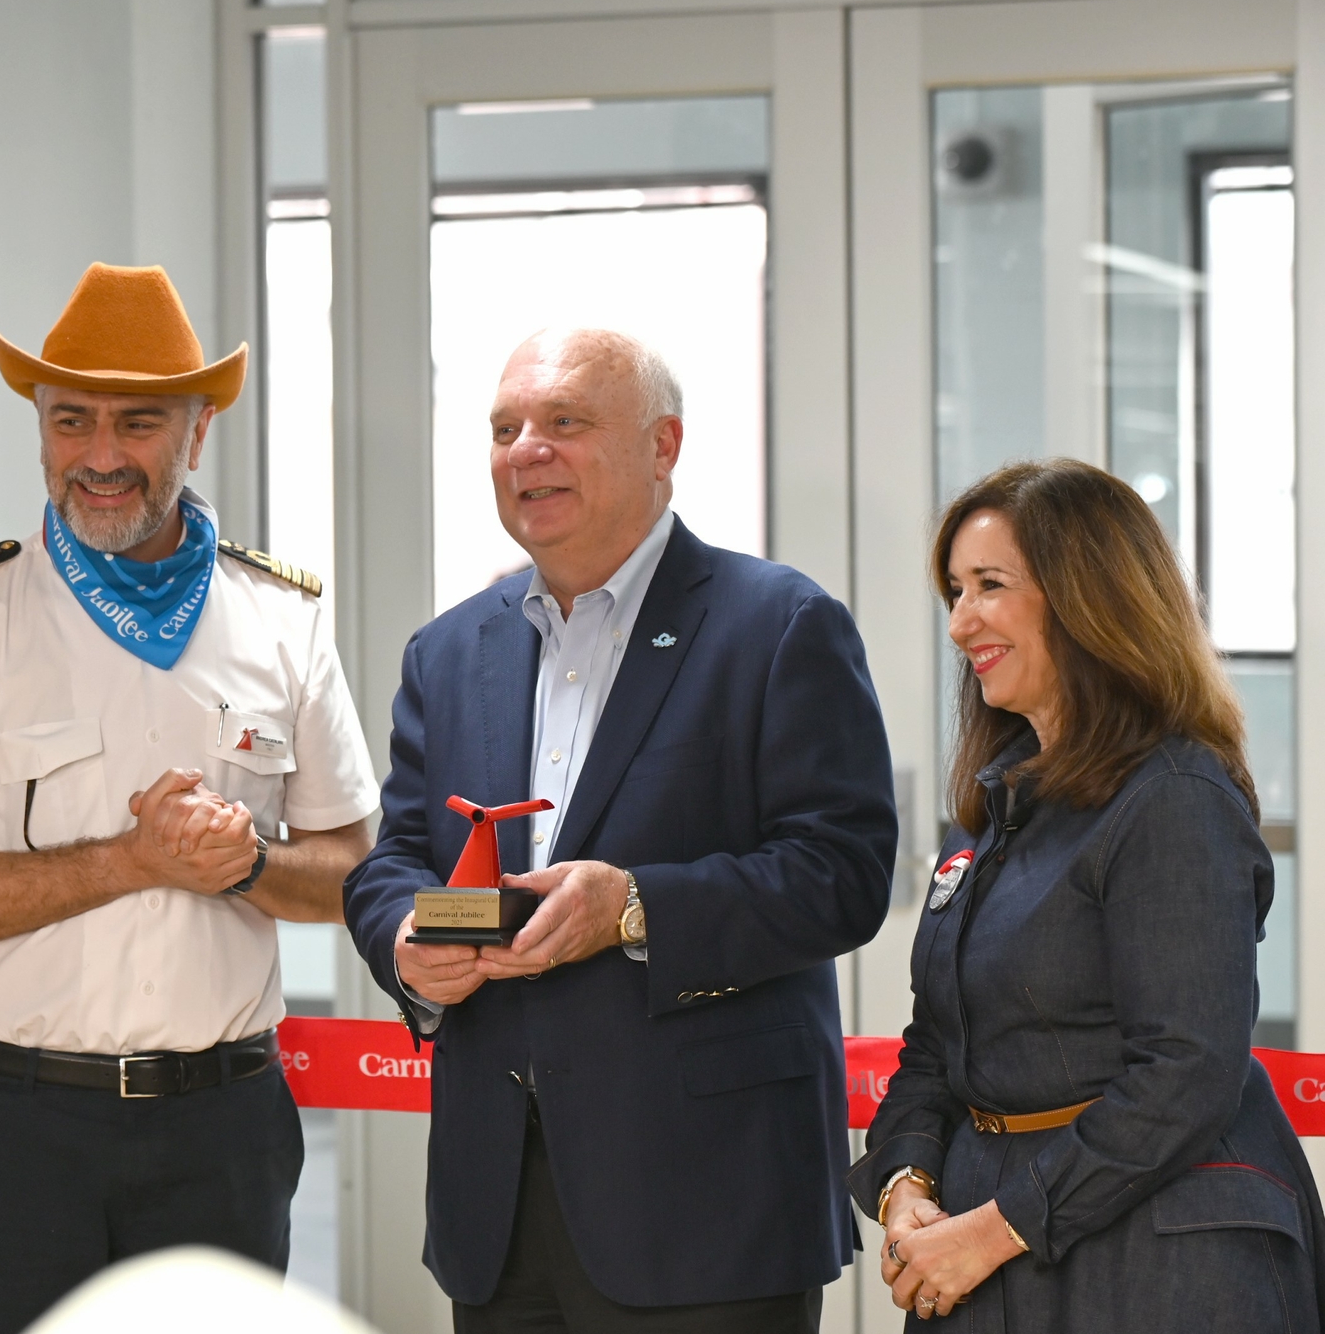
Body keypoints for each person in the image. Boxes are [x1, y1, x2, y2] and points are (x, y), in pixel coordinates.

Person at [343, 327, 897, 1333]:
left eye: (565, 424)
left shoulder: (776, 624)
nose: (526, 450)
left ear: (663, 445)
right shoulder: (447, 650)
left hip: (710, 1207)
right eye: (506, 428)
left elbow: (843, 872)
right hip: (496, 1205)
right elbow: (398, 862)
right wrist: (406, 940)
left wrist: (634, 907)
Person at [0, 262, 379, 1334]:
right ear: (41, 428)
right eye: (70, 420)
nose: (100, 455)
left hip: (224, 1129)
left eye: (138, 423)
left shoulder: (283, 620)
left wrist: (243, 864)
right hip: (16, 1131)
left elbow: (352, 874)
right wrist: (130, 861)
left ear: (196, 435)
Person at [853, 458, 1325, 1329]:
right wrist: (907, 1184)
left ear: (1088, 598)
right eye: (954, 590)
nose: (961, 621)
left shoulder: (1176, 796)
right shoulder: (993, 808)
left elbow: (1186, 1073)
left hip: (1159, 1259)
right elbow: (936, 1046)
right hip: (986, 1243)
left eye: (989, 584)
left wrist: (992, 1232)